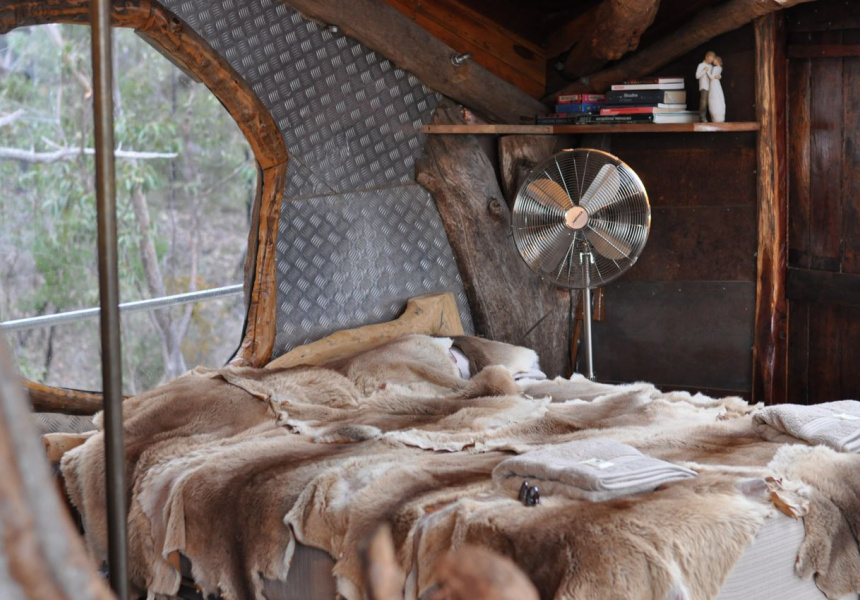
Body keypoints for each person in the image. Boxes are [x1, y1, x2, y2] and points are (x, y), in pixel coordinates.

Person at [696, 51, 716, 122]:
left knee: (710, 102)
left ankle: (710, 117)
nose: (711, 61)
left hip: (711, 87)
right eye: (710, 59)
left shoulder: (711, 66)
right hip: (704, 86)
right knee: (703, 102)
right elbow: (697, 76)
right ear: (706, 57)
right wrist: (704, 71)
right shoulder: (701, 65)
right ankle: (702, 117)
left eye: (712, 60)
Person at [708, 56, 725, 123]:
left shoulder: (715, 68)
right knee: (719, 96)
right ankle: (720, 117)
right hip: (717, 83)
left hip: (713, 83)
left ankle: (715, 118)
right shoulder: (720, 68)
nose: (713, 61)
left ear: (717, 61)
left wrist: (707, 72)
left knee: (714, 97)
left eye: (714, 60)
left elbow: (711, 77)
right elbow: (718, 76)